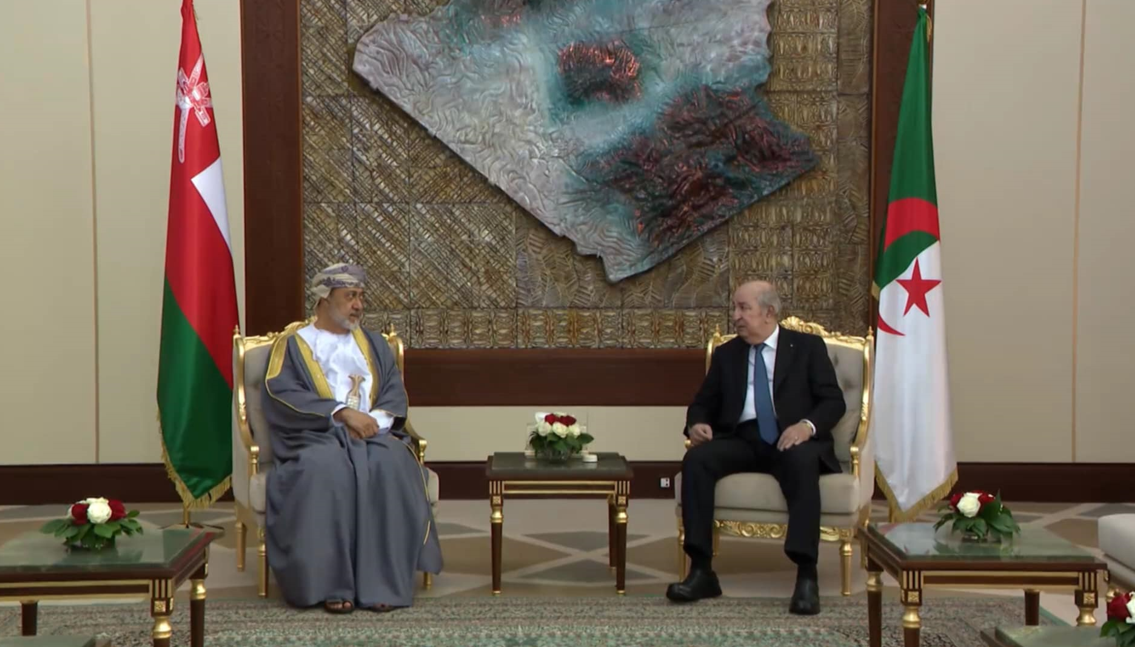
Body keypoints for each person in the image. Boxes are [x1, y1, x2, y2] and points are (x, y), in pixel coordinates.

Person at [262, 263, 442, 614]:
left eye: (360, 296)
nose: (358, 305)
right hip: (316, 437)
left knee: (391, 464)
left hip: (375, 435)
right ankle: (330, 584)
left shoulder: (375, 345)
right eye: (349, 297)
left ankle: (383, 584)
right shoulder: (293, 345)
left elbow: (393, 392)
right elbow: (281, 393)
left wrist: (372, 423)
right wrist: (341, 414)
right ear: (324, 299)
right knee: (323, 469)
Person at [666, 281, 845, 615]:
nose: (735, 316)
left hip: (789, 438)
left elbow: (833, 401)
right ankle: (702, 571)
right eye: (734, 308)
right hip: (742, 438)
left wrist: (806, 427)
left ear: (769, 312)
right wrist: (697, 423)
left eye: (743, 308)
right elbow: (702, 403)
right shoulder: (727, 354)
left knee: (802, 462)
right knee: (696, 460)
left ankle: (806, 575)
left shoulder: (806, 347)